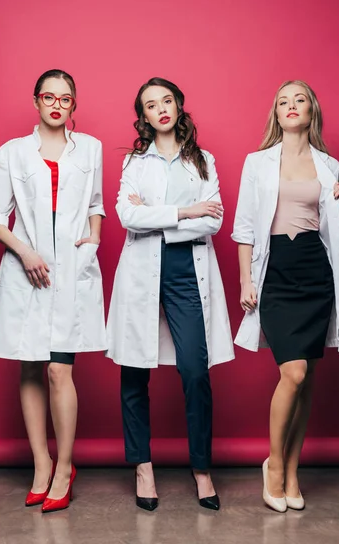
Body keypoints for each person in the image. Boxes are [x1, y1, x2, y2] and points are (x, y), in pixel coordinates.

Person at [107, 77, 234, 511]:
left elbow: (213, 221)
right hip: (143, 269)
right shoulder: (134, 164)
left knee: (196, 369)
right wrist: (185, 210)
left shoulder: (204, 161)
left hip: (186, 271)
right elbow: (128, 216)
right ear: (142, 116)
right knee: (134, 369)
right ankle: (143, 466)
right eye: (150, 105)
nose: (160, 109)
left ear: (179, 106)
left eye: (166, 101)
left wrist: (155, 215)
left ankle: (201, 468)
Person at [0, 69, 106, 513]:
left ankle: (65, 466)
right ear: (36, 101)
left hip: (71, 270)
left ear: (74, 105)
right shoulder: (13, 152)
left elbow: (96, 205)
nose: (57, 104)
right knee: (31, 368)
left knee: (60, 370)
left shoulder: (89, 148)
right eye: (49, 97)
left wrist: (92, 240)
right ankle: (40, 462)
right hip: (26, 270)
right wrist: (26, 252)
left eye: (66, 98)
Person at [232, 80, 339, 512]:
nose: (290, 106)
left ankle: (293, 470)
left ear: (311, 110)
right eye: (283, 101)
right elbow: (245, 226)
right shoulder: (257, 162)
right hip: (276, 271)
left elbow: (327, 223)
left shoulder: (329, 165)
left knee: (308, 383)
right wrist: (247, 280)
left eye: (298, 99)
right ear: (276, 113)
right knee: (294, 373)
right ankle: (274, 466)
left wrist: (337, 197)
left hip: (314, 271)